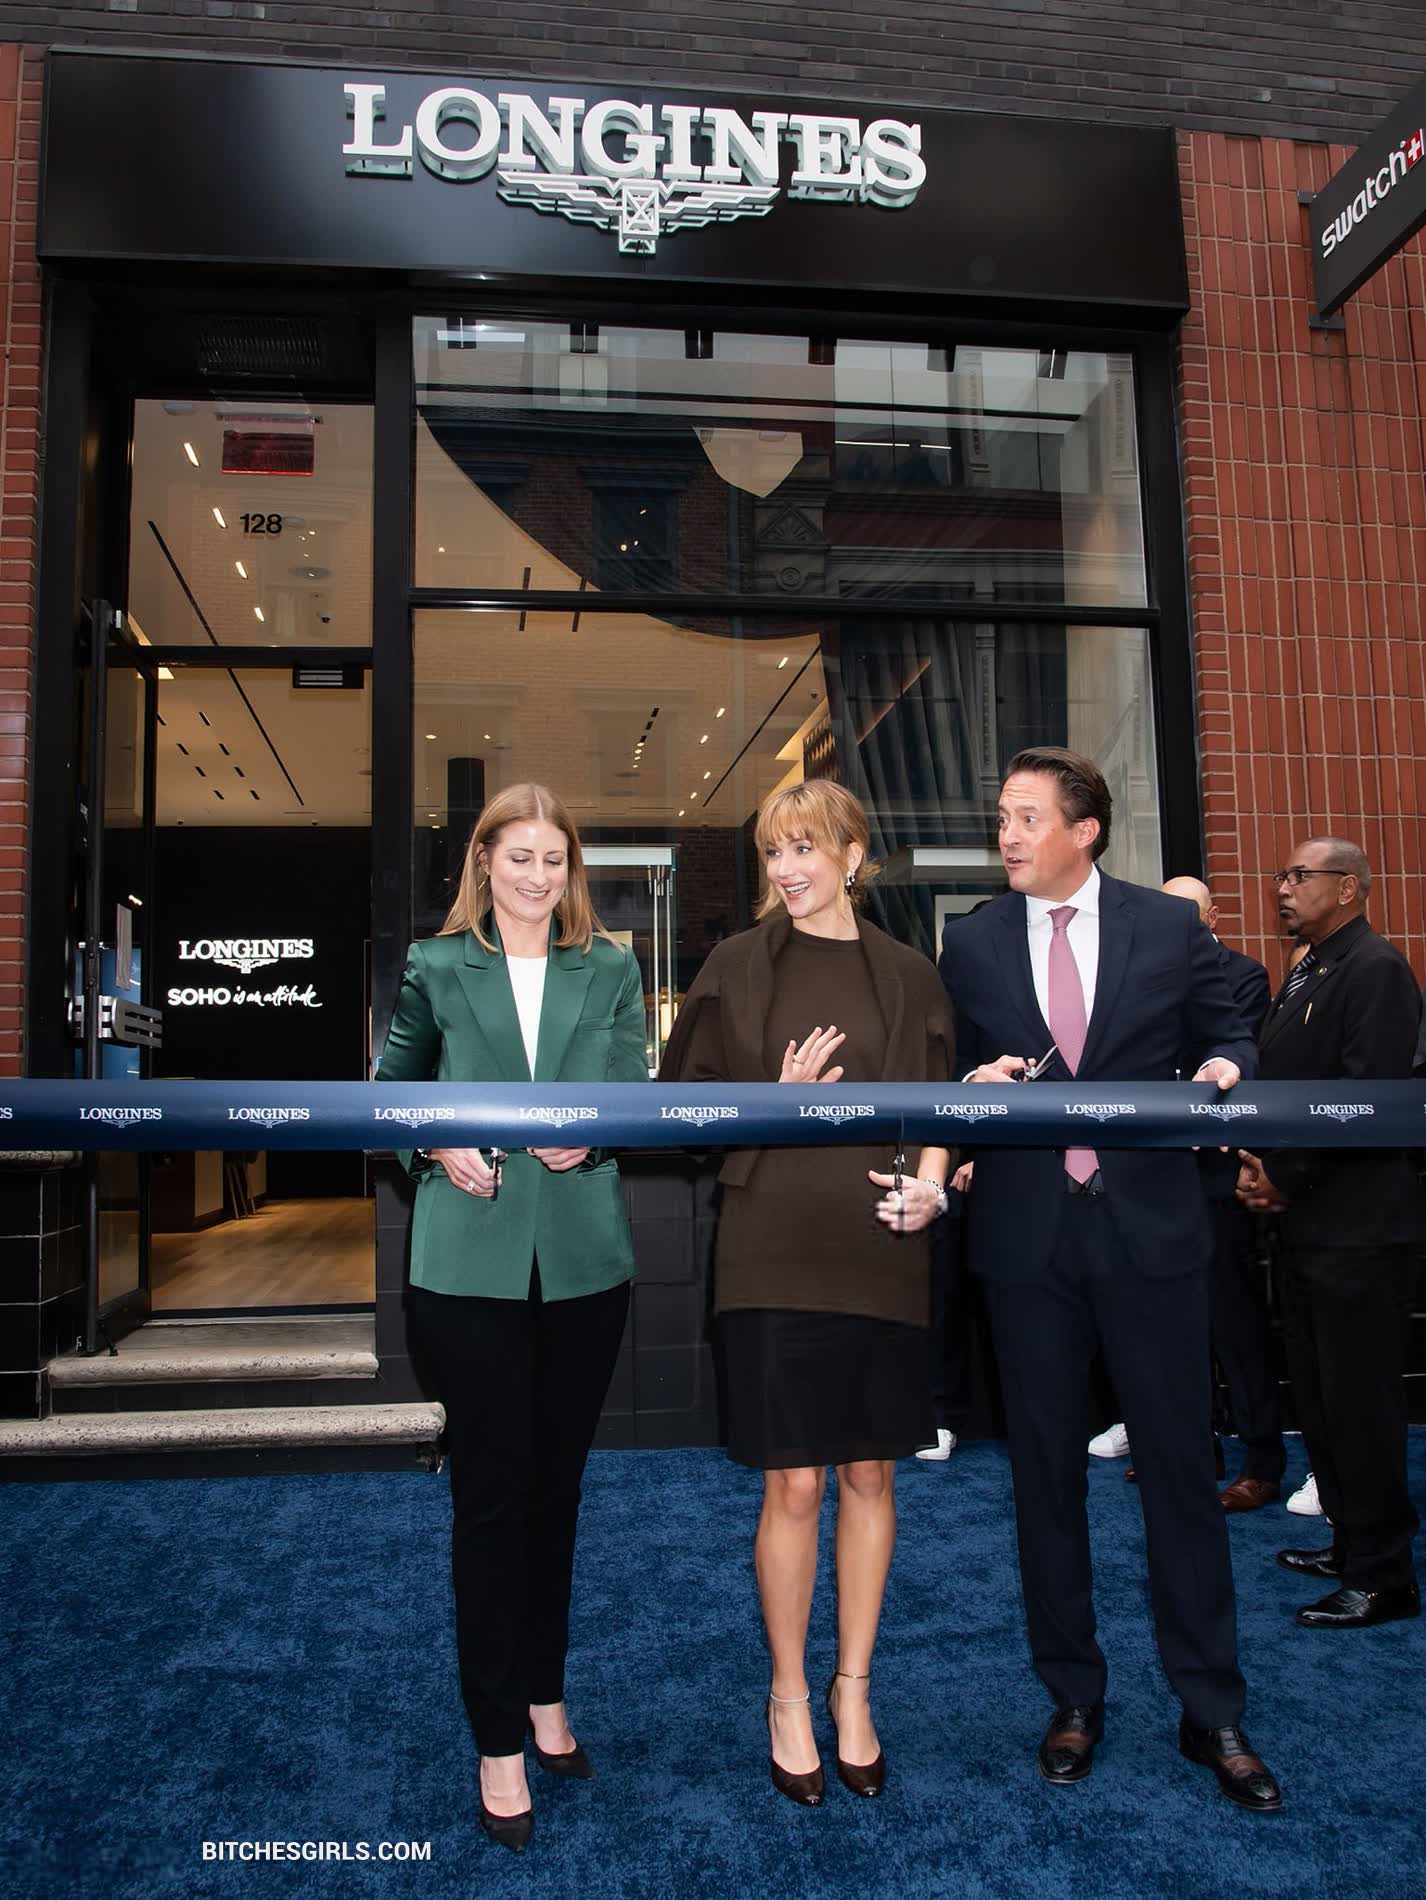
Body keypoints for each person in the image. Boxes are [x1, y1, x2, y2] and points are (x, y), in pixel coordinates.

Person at [938, 746, 1281, 1813]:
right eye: (1001, 817)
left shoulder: (1168, 926)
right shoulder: (972, 939)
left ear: (1084, 830)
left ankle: (1211, 1707)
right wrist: (970, 1082)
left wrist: (1225, 1069)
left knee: (1178, 1469)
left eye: (1024, 817)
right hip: (1026, 1243)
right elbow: (946, 1064)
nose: (1005, 835)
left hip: (1152, 1238)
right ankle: (1073, 1697)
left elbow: (1230, 1031)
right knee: (1043, 1477)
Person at [660, 780, 954, 1806]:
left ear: (852, 855)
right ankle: (788, 1695)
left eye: (803, 848)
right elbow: (677, 1114)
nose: (786, 869)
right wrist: (771, 1102)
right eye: (773, 852)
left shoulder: (910, 973)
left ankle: (852, 1690)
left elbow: (938, 1107)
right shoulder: (735, 967)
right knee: (792, 1485)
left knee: (871, 1473)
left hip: (880, 1249)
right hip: (770, 1248)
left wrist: (931, 1187)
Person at [376, 782, 648, 1852]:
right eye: (519, 856)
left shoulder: (612, 966)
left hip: (584, 1267)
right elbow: (391, 1095)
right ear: (484, 861)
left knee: (556, 1495)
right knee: (491, 1502)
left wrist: (599, 1130)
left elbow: (630, 1090)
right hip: (467, 1271)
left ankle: (544, 1694)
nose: (537, 876)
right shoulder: (437, 964)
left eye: (554, 858)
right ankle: (496, 1738)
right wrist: (434, 1143)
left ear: (571, 869)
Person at [1237, 837, 1423, 1630]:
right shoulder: (1312, 967)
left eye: (1299, 876)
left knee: (1361, 1404)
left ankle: (1384, 1576)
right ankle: (1350, 1544)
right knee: (1319, 1398)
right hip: (1311, 1226)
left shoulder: (1374, 969)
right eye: (1281, 876)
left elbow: (1364, 1100)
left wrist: (1282, 1174)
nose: (1283, 888)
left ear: (1348, 887)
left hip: (1358, 1231)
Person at [1161, 876, 1284, 1511]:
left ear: (1213, 919)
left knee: (1235, 1321)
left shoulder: (1243, 976)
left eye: (1188, 913)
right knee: (1174, 1323)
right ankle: (1197, 1445)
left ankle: (1263, 1458)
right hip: (1160, 1171)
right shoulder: (1147, 974)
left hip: (1217, 1171)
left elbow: (1232, 1058)